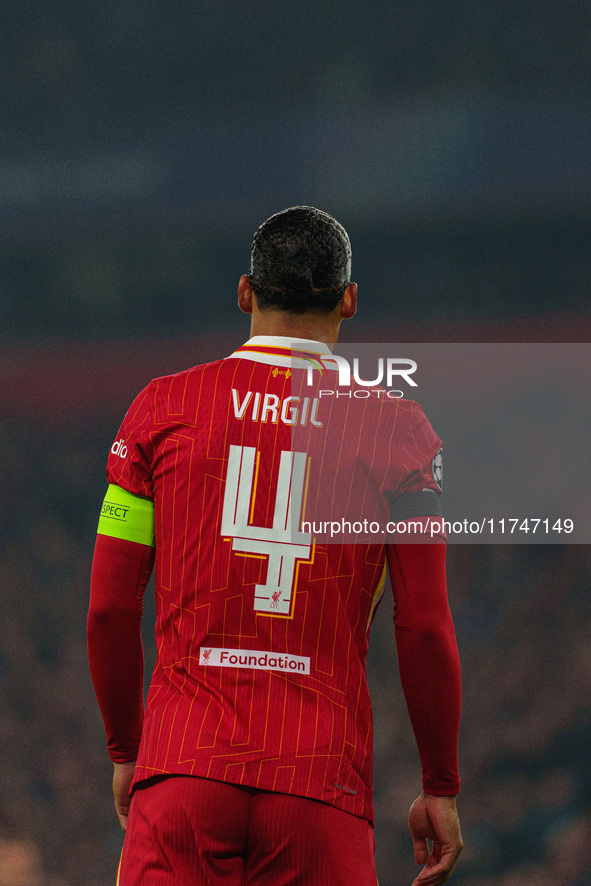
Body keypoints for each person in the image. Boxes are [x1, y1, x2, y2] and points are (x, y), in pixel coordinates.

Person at [87, 206, 463, 886]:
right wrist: (439, 782)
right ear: (348, 301)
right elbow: (425, 625)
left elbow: (110, 610)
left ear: (244, 293)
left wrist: (127, 751)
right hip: (319, 783)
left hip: (183, 768)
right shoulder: (399, 432)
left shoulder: (160, 409)